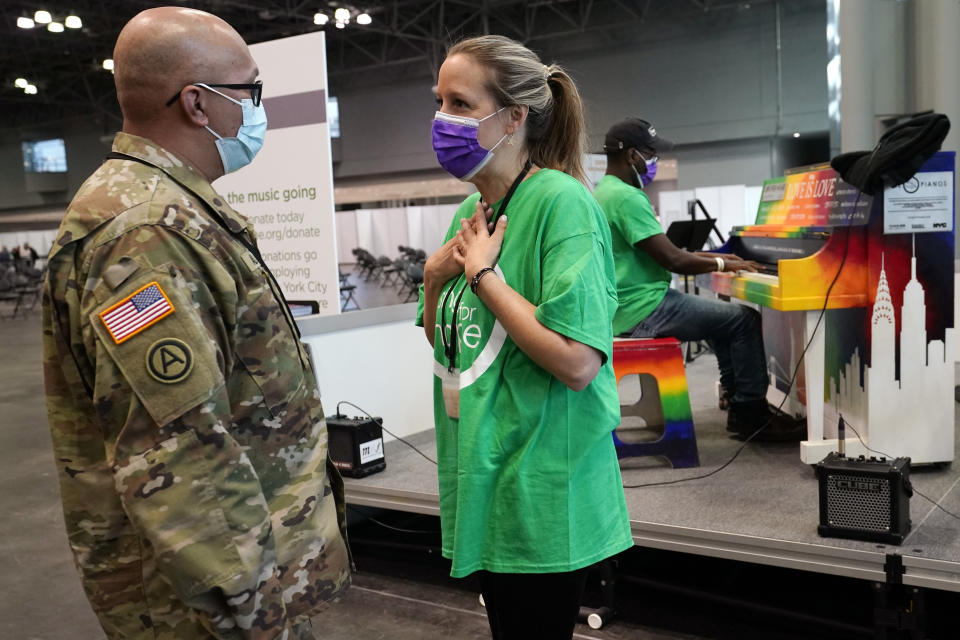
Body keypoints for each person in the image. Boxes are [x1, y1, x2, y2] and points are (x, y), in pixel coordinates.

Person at [41, 7, 350, 638]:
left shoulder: (171, 207)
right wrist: (250, 607)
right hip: (209, 602)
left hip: (244, 573)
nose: (258, 110)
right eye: (250, 92)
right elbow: (180, 450)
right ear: (197, 104)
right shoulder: (145, 231)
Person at [418, 35, 633, 640]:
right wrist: (435, 281)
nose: (442, 120)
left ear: (514, 116)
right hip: (488, 473)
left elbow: (576, 363)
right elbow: (448, 346)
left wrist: (484, 277)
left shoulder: (562, 204)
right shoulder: (471, 212)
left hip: (540, 482)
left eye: (460, 104)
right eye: (438, 102)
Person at [593, 117, 803, 441]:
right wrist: (720, 262)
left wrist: (722, 260)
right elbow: (673, 259)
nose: (655, 162)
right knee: (743, 321)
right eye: (651, 154)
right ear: (632, 155)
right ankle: (751, 414)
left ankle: (738, 404)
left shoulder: (603, 192)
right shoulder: (627, 197)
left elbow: (660, 249)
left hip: (623, 304)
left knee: (720, 321)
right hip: (644, 307)